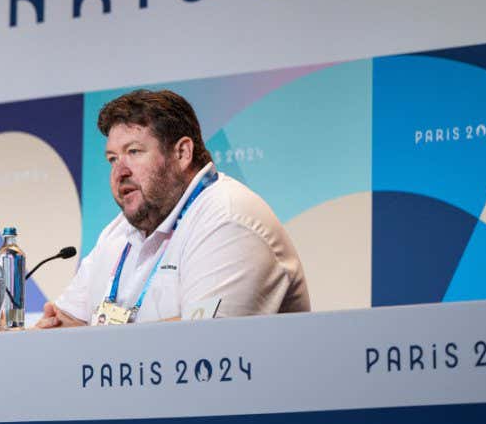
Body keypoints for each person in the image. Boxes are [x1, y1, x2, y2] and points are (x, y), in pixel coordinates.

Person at [38, 89, 308, 329]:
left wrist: (89, 339)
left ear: (181, 153)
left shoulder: (228, 218)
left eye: (133, 152)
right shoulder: (118, 232)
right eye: (112, 159)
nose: (119, 172)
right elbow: (66, 322)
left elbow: (201, 343)